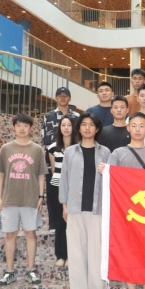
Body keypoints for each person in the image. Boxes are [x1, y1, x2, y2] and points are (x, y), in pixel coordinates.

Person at [100, 112, 145, 289]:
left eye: (142, 125)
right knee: (128, 252)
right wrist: (106, 171)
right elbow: (111, 180)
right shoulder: (118, 154)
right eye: (134, 125)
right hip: (126, 213)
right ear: (128, 128)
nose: (138, 129)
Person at [59, 113, 111, 289]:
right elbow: (64, 179)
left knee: (96, 253)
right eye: (84, 124)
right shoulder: (70, 152)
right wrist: (64, 205)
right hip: (75, 208)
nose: (87, 128)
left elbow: (112, 179)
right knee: (76, 252)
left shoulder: (105, 152)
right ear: (79, 128)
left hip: (98, 209)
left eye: (91, 125)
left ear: (97, 129)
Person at [0, 114, 46, 286]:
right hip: (9, 198)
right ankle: (9, 272)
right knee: (10, 234)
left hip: (30, 198)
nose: (22, 128)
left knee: (30, 233)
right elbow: (0, 173)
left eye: (25, 125)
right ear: (13, 127)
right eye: (18, 125)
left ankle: (30, 270)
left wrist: (41, 196)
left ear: (31, 128)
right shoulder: (6, 148)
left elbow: (41, 175)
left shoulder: (37, 149)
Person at [41, 87, 79, 230]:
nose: (63, 98)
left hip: (74, 156)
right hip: (54, 156)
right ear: (56, 98)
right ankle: (54, 224)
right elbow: (45, 137)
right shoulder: (49, 116)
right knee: (53, 192)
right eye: (60, 96)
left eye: (65, 96)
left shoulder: (76, 116)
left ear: (70, 98)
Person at [47, 116, 79, 268]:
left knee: (73, 223)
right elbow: (54, 170)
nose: (66, 128)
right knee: (60, 223)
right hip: (57, 187)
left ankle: (73, 256)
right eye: (63, 125)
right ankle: (61, 255)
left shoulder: (79, 146)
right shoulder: (53, 148)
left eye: (69, 125)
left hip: (75, 188)